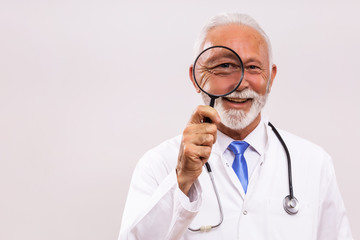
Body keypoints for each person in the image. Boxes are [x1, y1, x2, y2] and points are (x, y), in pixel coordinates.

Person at [119, 13, 353, 239]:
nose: (240, 83)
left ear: (270, 77)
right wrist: (181, 180)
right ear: (196, 78)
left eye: (252, 67)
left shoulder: (315, 163)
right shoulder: (158, 165)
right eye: (224, 66)